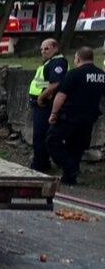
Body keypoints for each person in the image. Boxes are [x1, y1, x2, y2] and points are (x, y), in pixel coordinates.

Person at [47, 46, 105, 186]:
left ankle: (70, 168)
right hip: (89, 118)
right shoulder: (101, 75)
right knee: (77, 146)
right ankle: (70, 177)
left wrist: (54, 113)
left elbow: (61, 95)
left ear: (78, 58)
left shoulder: (74, 74)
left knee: (52, 140)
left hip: (69, 116)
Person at [28, 39, 68, 172]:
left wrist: (41, 97)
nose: (43, 52)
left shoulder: (58, 63)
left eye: (46, 48)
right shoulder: (49, 62)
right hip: (41, 104)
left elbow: (55, 84)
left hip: (45, 104)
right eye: (41, 49)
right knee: (40, 136)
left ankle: (40, 165)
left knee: (41, 136)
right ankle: (41, 163)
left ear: (55, 48)